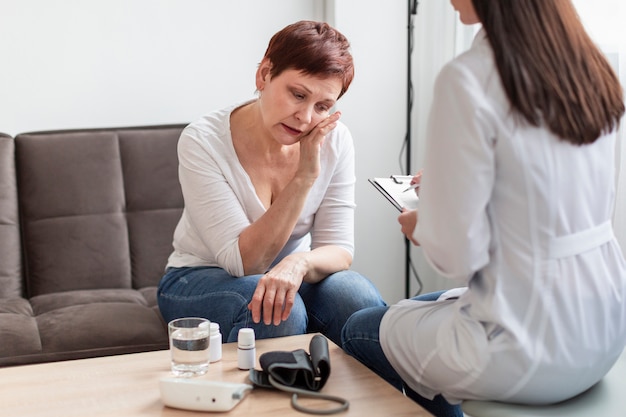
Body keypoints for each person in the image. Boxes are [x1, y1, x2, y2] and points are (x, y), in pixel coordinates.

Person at [341, 1, 626, 417]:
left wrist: (425, 222)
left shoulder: (468, 78)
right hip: (604, 328)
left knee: (360, 330)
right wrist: (451, 184)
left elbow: (457, 255)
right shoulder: (589, 67)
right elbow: (541, 197)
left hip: (529, 348)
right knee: (421, 310)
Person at [157, 20, 385, 347]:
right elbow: (246, 263)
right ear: (264, 74)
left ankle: (376, 398)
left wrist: (298, 262)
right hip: (199, 277)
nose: (306, 118)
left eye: (323, 106)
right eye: (297, 95)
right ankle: (262, 397)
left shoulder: (335, 140)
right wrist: (305, 175)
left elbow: (339, 249)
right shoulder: (203, 141)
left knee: (353, 295)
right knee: (276, 308)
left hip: (290, 276)